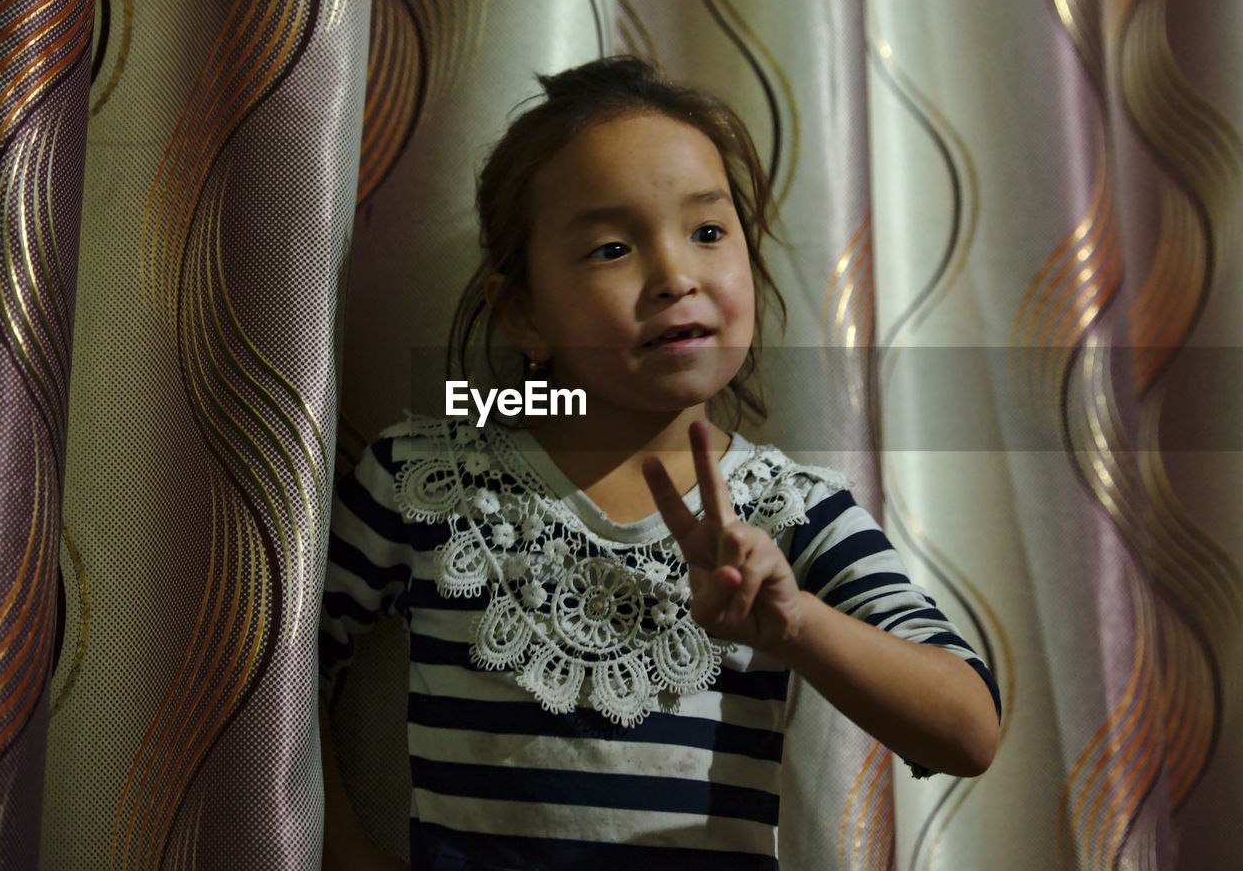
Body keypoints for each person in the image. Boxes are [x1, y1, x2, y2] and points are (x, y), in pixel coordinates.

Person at [318, 56, 1001, 871]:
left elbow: (968, 727)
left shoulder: (791, 506)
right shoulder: (428, 470)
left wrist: (795, 623)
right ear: (524, 312)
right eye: (612, 248)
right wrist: (342, 848)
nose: (676, 276)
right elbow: (272, 666)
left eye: (709, 232)